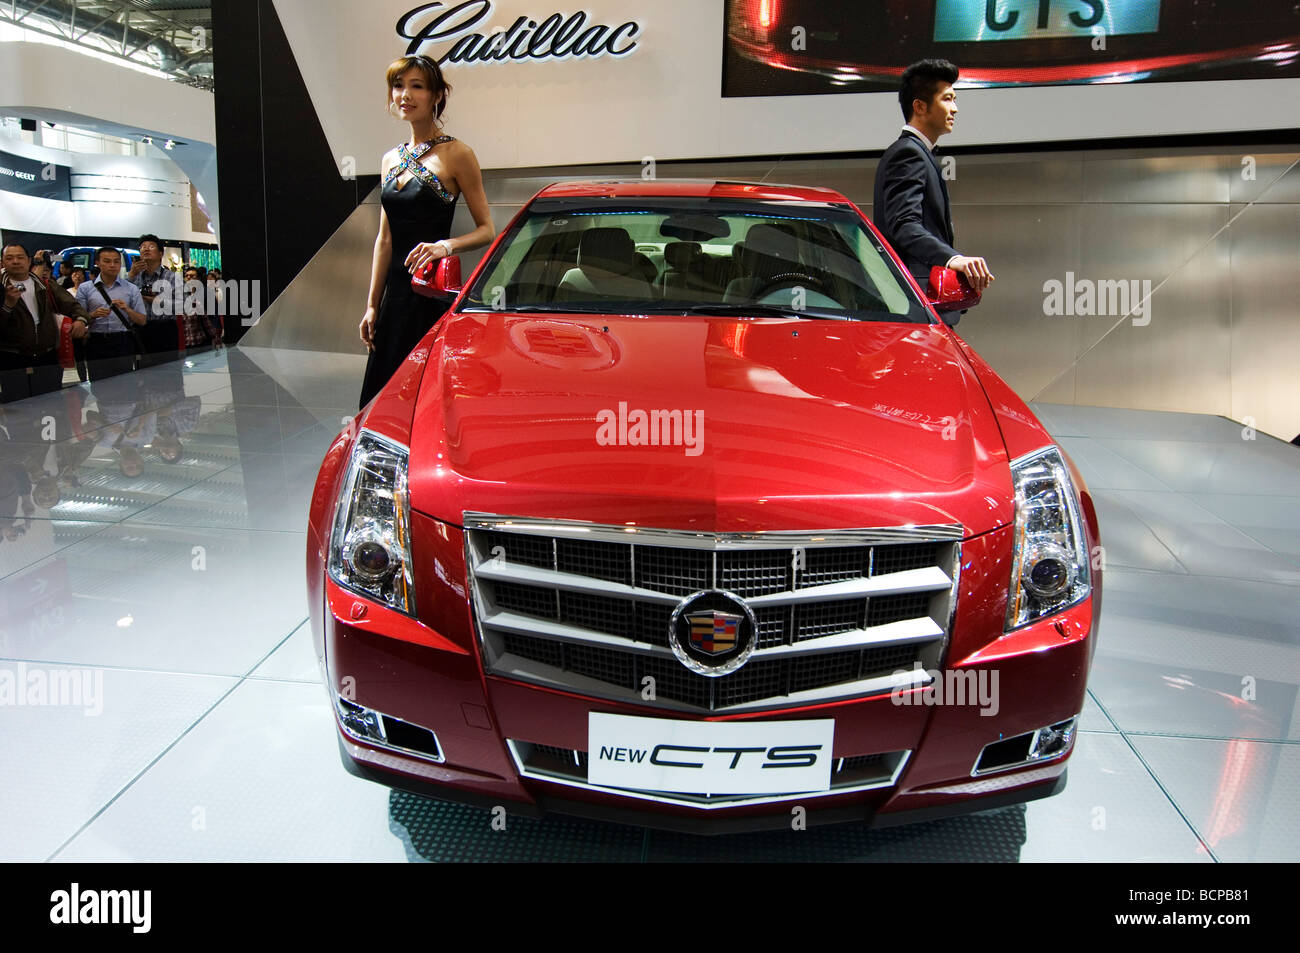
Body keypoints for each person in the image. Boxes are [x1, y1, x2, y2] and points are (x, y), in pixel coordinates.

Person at [357, 53, 495, 409]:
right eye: (398, 86)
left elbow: (487, 230)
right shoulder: (390, 158)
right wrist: (372, 305)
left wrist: (444, 246)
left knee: (424, 398)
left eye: (416, 86)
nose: (405, 94)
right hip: (395, 298)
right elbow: (384, 239)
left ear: (436, 95)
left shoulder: (457, 154)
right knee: (382, 397)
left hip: (430, 294)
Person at [872, 58, 993, 327]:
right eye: (948, 99)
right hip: (916, 306)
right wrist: (953, 259)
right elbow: (903, 225)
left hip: (921, 306)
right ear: (920, 106)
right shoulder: (909, 153)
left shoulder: (918, 152)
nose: (955, 108)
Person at [1, 243, 92, 402]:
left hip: (47, 357)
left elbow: (74, 306)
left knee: (51, 405)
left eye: (20, 257)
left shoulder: (46, 285)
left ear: (29, 261)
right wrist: (7, 305)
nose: (15, 261)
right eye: (9, 258)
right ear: (2, 262)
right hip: (12, 359)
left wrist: (80, 321)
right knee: (17, 409)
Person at [74, 247, 147, 381]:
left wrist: (127, 309)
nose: (112, 265)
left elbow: (142, 320)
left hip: (123, 341)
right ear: (98, 263)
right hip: (96, 341)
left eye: (116, 261)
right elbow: (79, 318)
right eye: (107, 261)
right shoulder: (85, 288)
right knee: (98, 384)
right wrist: (93, 315)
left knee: (125, 383)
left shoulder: (131, 288)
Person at [128, 234, 182, 364]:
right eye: (142, 247)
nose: (146, 249)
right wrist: (131, 275)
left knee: (169, 372)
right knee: (143, 373)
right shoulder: (134, 277)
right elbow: (121, 298)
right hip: (140, 329)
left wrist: (158, 301)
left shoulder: (172, 277)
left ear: (160, 253)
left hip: (165, 330)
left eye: (151, 246)